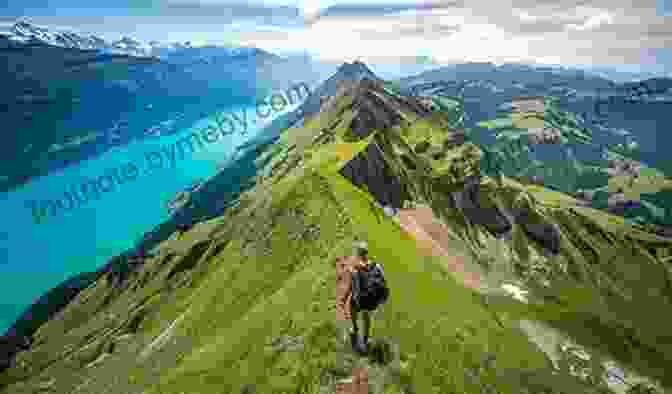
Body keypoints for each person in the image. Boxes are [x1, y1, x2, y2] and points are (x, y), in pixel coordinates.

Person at [336, 241, 387, 354]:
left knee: (352, 309)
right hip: (371, 301)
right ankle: (366, 340)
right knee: (366, 317)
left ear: (358, 254)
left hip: (359, 301)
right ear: (366, 253)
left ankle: (354, 329)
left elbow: (351, 286)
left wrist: (344, 299)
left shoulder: (354, 269)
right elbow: (383, 281)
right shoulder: (376, 266)